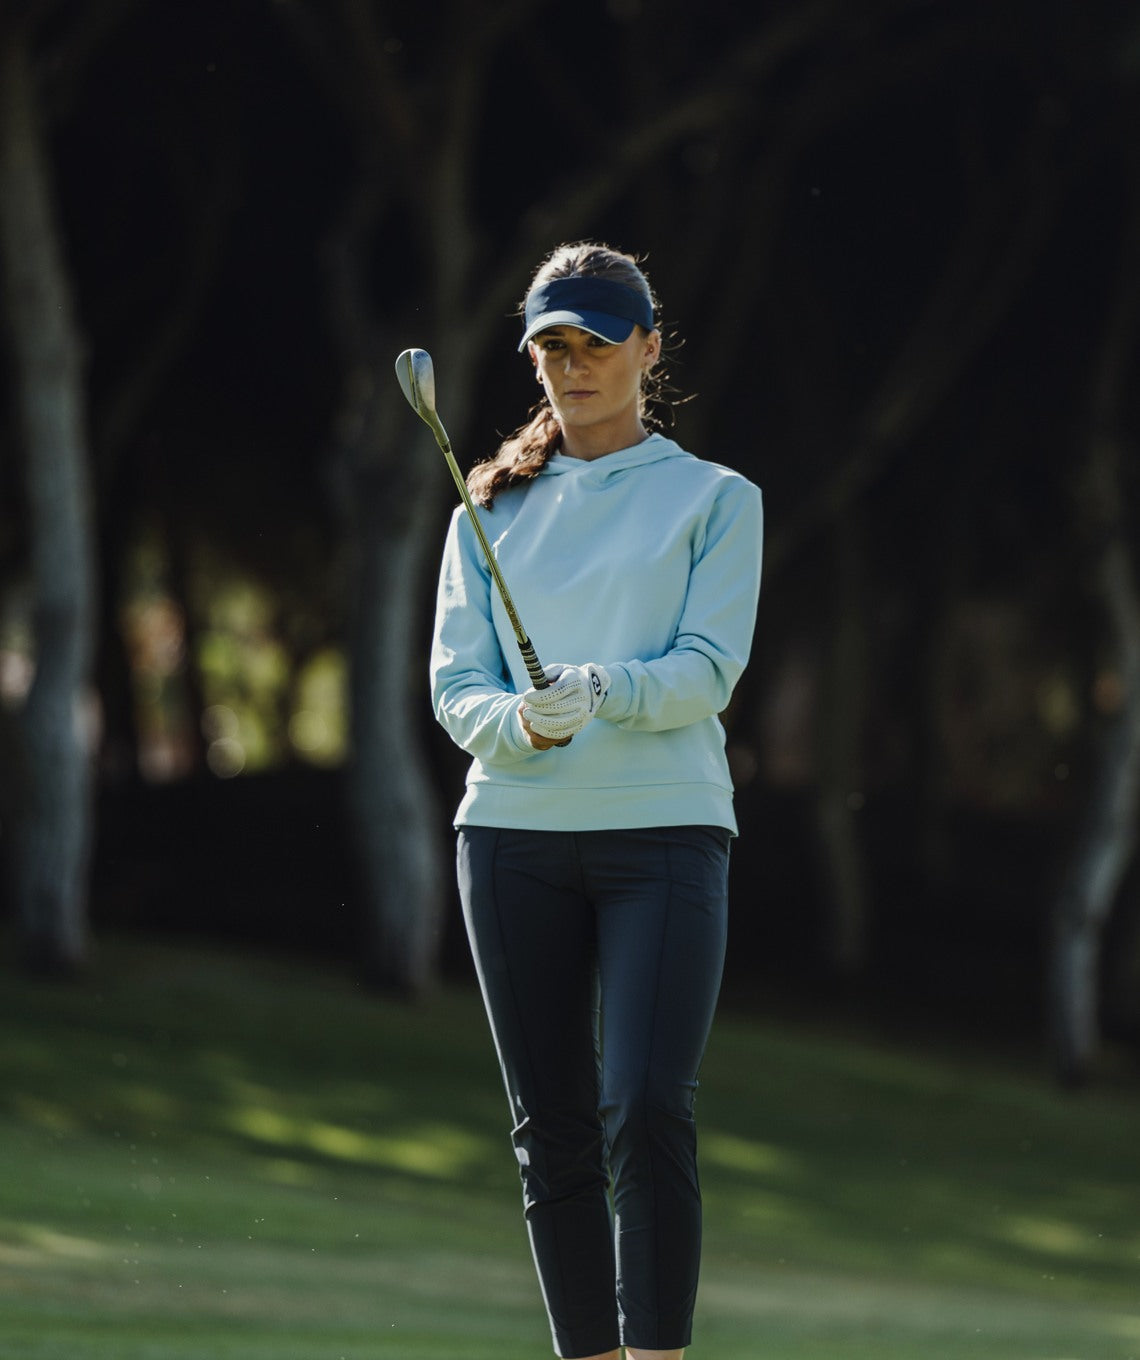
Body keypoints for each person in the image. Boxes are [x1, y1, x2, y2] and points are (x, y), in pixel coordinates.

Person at [429, 241, 764, 1360]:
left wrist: (599, 688)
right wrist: (519, 723)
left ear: (649, 349)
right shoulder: (486, 508)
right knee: (552, 1130)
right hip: (511, 837)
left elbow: (707, 670)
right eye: (553, 348)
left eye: (596, 345)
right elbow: (456, 686)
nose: (573, 367)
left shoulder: (716, 499)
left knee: (648, 1106)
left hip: (664, 833)